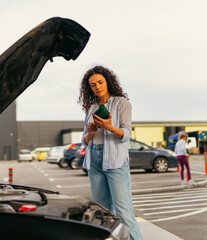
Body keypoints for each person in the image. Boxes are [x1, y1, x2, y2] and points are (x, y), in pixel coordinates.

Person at [78, 65, 143, 240]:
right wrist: (91, 131)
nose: (97, 87)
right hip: (94, 162)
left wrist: (109, 127)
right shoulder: (91, 108)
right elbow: (84, 140)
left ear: (108, 81)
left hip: (115, 161)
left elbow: (127, 134)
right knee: (102, 213)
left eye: (100, 82)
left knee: (124, 212)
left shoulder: (121, 103)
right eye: (93, 85)